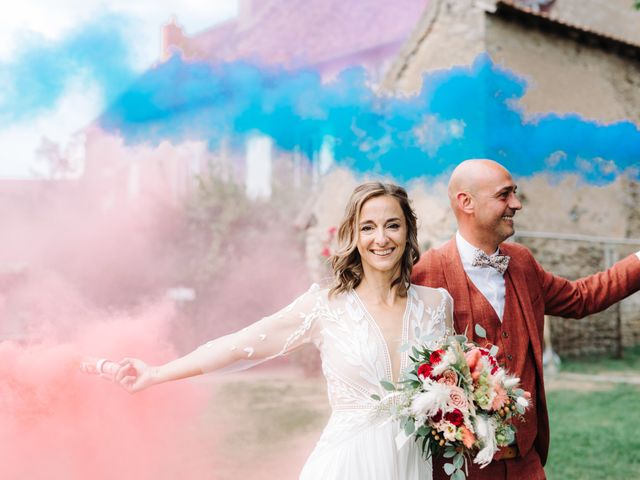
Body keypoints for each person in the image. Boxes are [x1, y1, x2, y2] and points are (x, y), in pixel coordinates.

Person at [98, 182, 454, 480]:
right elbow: (241, 346)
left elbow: (454, 391)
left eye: (392, 225)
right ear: (354, 236)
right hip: (346, 466)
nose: (381, 238)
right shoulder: (325, 306)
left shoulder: (437, 305)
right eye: (368, 227)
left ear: (408, 231)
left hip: (414, 467)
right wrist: (156, 372)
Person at [411, 159, 640, 480]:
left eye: (515, 194)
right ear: (466, 202)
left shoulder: (521, 261)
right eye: (505, 195)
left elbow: (580, 297)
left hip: (526, 461)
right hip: (462, 466)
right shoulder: (427, 272)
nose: (516, 204)